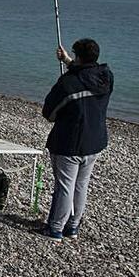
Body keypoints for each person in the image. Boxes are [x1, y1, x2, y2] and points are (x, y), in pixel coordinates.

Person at [40, 38, 113, 241]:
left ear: (79, 55)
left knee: (65, 186)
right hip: (94, 141)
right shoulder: (106, 77)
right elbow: (87, 75)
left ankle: (55, 228)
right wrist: (68, 62)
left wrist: (70, 69)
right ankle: (72, 227)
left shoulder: (67, 83)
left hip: (69, 143)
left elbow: (49, 113)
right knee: (81, 185)